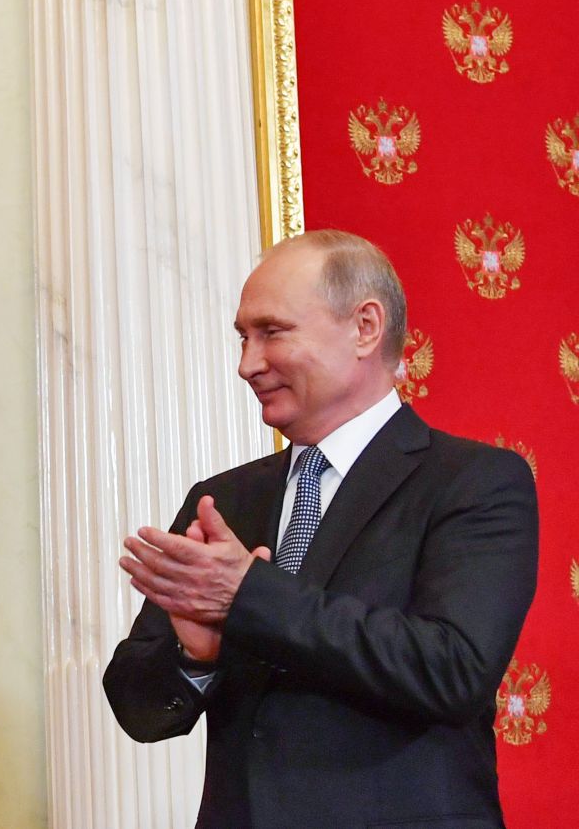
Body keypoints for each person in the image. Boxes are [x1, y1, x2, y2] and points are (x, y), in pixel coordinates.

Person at [104, 230, 537, 828]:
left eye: (272, 332)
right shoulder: (224, 499)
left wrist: (248, 596)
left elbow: (453, 669)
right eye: (243, 338)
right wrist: (194, 654)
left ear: (364, 327)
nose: (247, 364)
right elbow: (140, 712)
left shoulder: (476, 481)